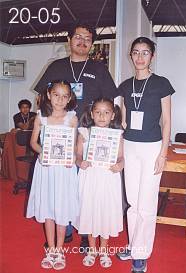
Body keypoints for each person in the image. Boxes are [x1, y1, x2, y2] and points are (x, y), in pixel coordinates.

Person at [34, 21, 118, 247]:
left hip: (89, 134)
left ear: (92, 45)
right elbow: (41, 97)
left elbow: (111, 100)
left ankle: (85, 230)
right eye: (78, 37)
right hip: (59, 132)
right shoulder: (56, 66)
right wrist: (46, 122)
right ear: (69, 40)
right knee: (62, 183)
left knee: (85, 184)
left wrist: (114, 127)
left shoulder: (99, 68)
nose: (82, 41)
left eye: (88, 39)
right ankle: (66, 228)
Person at [116, 37, 175, 273]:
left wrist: (163, 153)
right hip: (130, 146)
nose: (140, 57)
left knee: (147, 203)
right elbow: (124, 117)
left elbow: (167, 120)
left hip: (152, 147)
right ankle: (133, 245)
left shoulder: (161, 83)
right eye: (136, 53)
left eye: (145, 53)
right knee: (133, 202)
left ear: (152, 56)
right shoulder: (126, 85)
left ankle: (141, 253)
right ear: (130, 56)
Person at [26, 80, 79, 270]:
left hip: (64, 170)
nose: (60, 99)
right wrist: (42, 153)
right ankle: (50, 249)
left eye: (65, 96)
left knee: (62, 208)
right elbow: (33, 142)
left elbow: (74, 146)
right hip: (46, 168)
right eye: (56, 95)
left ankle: (60, 250)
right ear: (49, 95)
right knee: (48, 207)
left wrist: (71, 157)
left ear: (69, 98)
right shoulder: (41, 117)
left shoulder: (72, 118)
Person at [76, 97, 124, 268]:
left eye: (106, 112)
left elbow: (121, 157)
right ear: (91, 114)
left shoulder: (117, 135)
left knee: (105, 211)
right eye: (98, 112)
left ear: (112, 115)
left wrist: (120, 165)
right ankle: (91, 250)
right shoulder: (84, 133)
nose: (102, 116)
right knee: (90, 211)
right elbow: (78, 155)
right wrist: (80, 162)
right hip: (90, 178)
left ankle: (103, 250)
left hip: (108, 178)